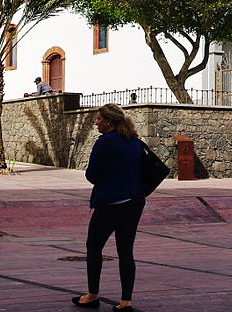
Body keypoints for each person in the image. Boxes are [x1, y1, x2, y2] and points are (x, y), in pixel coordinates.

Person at [72, 104, 145, 311]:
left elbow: (92, 175)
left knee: (94, 247)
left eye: (98, 119)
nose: (96, 123)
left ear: (108, 121)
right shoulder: (134, 141)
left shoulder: (104, 142)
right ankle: (125, 301)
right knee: (126, 251)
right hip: (134, 201)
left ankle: (92, 295)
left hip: (110, 203)